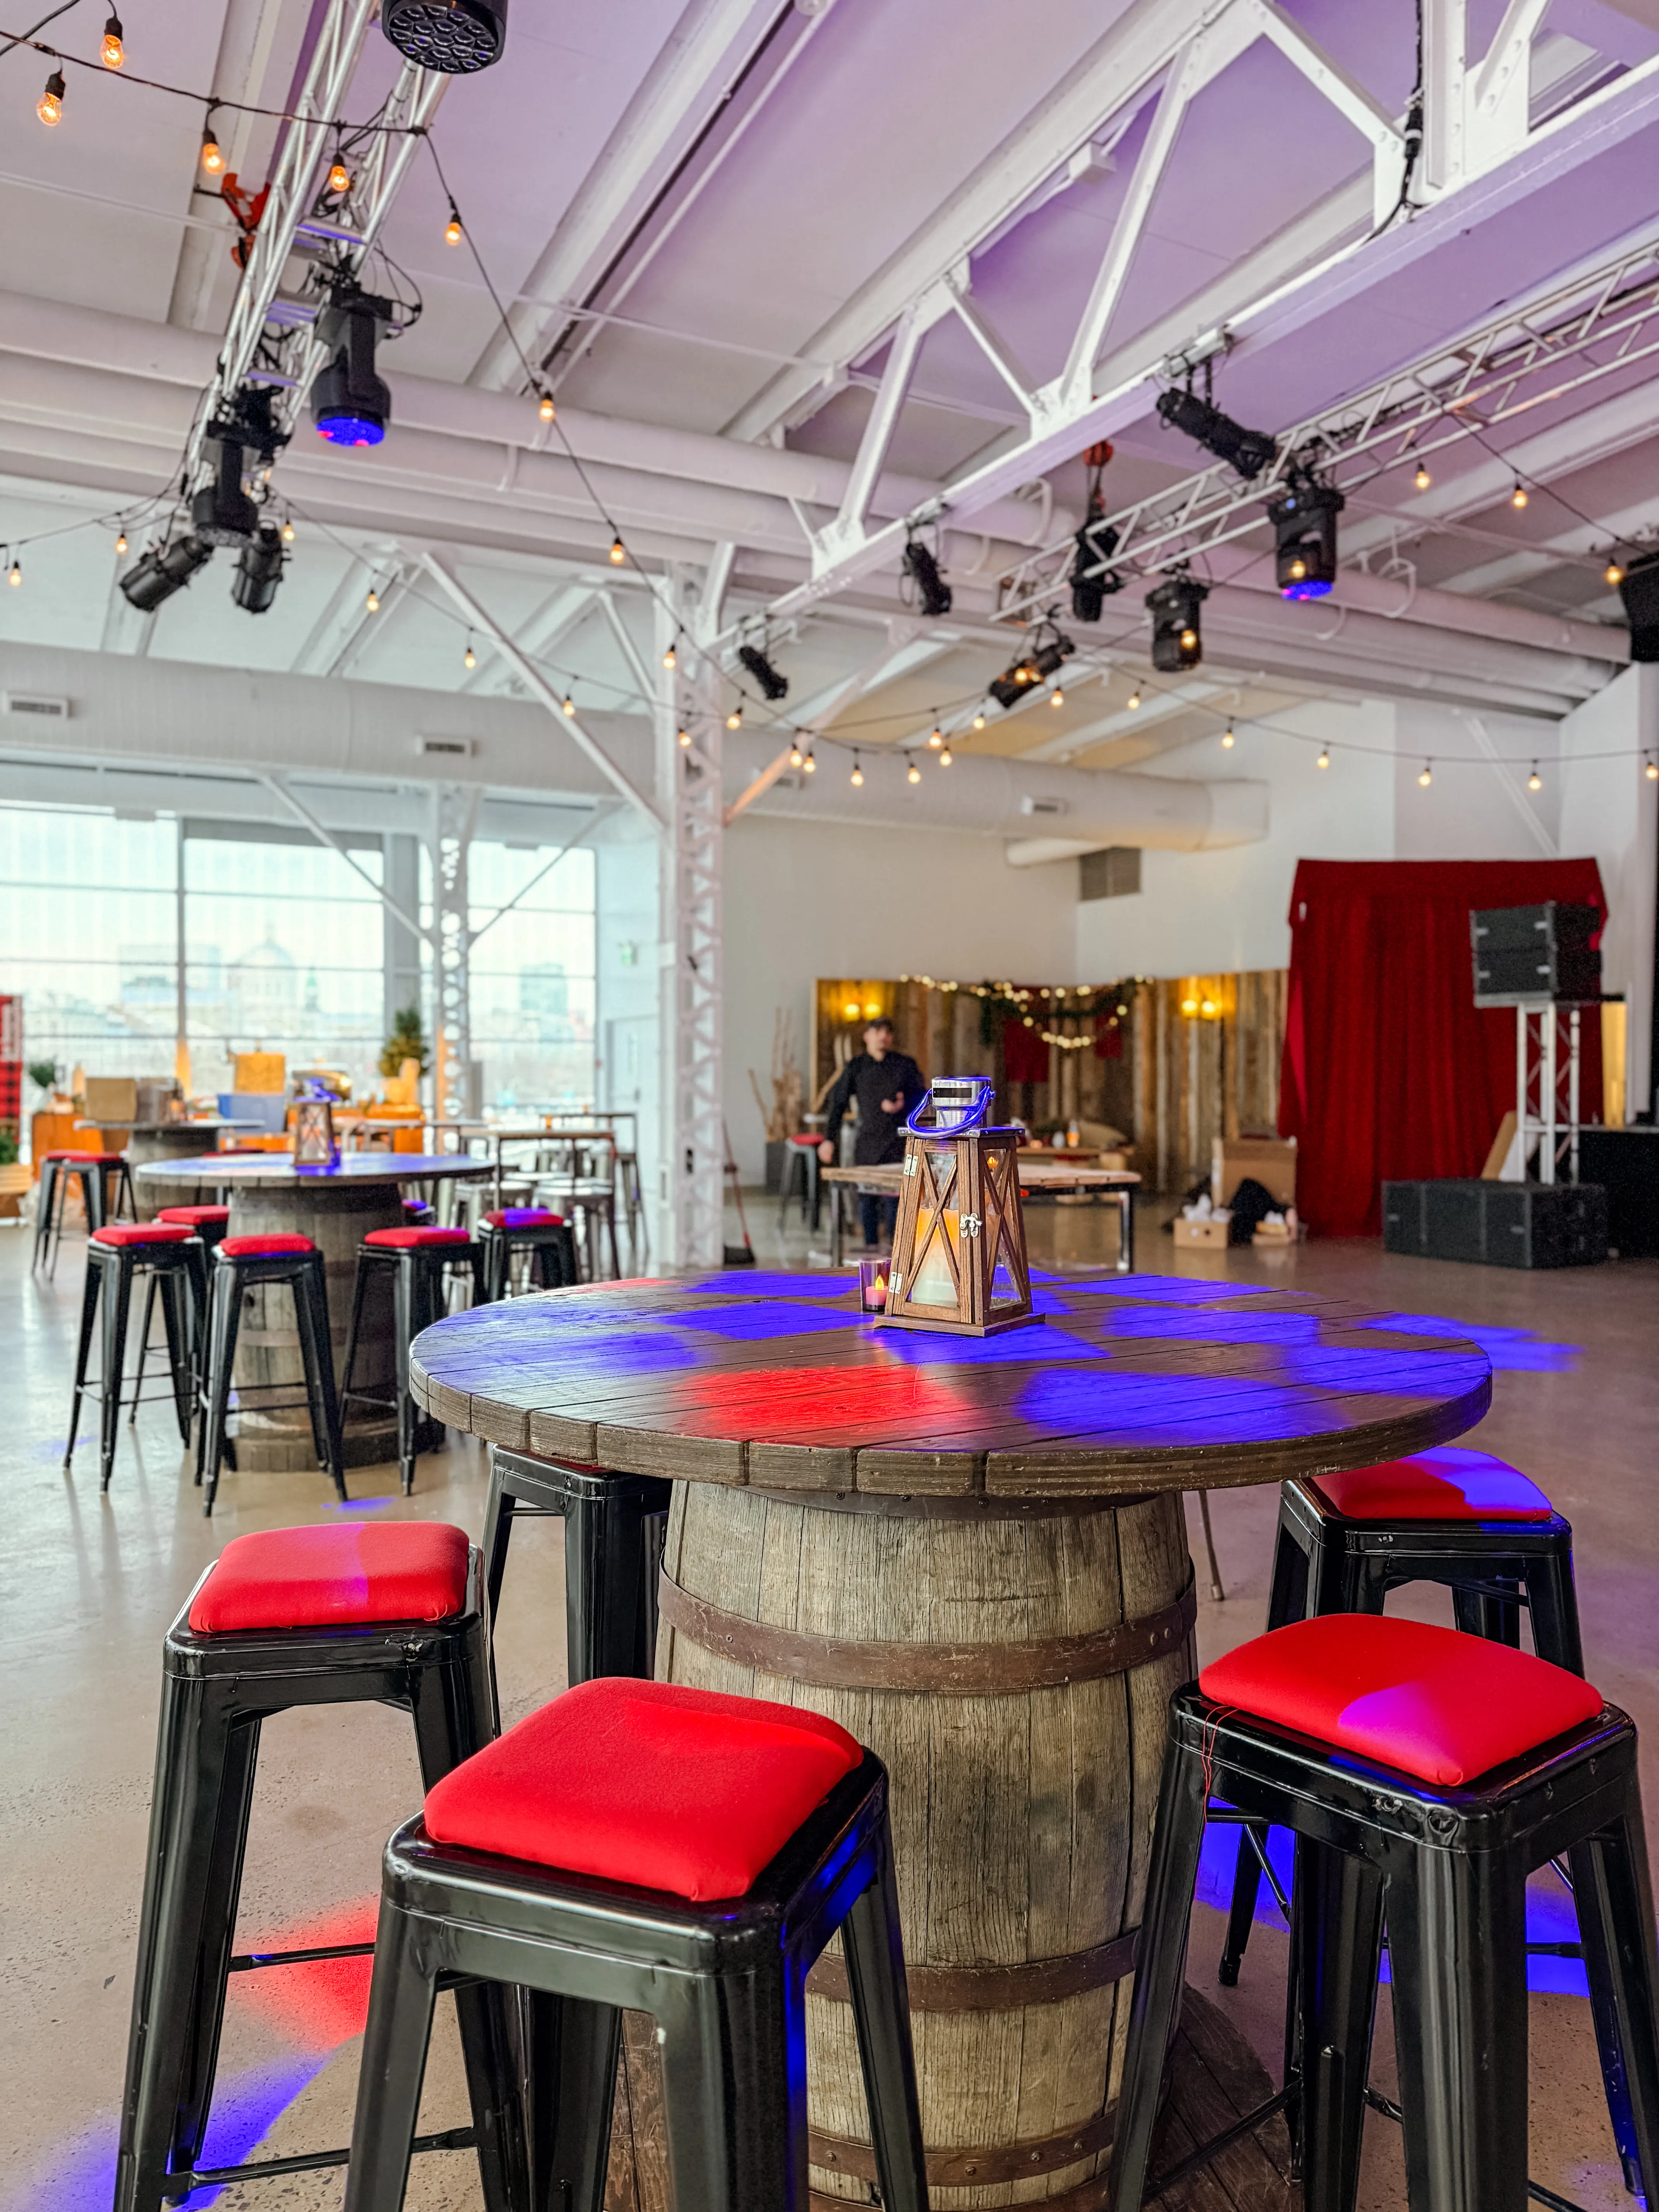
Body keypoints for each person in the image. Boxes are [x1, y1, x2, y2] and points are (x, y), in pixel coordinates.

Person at [819, 1018, 926, 1250]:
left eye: (888, 1032)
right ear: (867, 1036)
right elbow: (838, 1103)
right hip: (867, 1140)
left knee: (897, 1198)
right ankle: (870, 1249)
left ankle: (898, 1250)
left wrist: (903, 1104)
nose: (883, 1036)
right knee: (867, 1197)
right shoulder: (856, 1066)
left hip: (899, 1142)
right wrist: (829, 1139)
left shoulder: (905, 1064)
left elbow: (923, 1098)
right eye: (878, 1031)